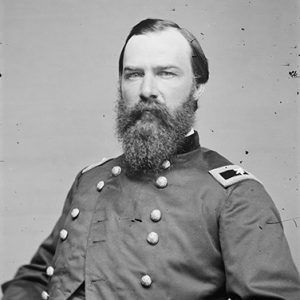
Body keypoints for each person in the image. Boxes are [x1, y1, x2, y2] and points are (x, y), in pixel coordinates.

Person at [2, 18, 300, 300]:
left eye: (166, 73)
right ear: (120, 85)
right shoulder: (91, 181)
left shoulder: (235, 195)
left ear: (198, 87)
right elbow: (36, 278)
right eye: (134, 74)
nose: (147, 90)